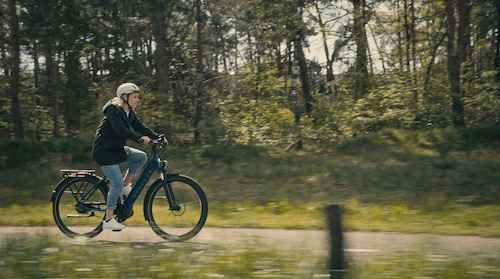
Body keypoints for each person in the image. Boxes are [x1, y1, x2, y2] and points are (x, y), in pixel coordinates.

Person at [91, 82, 167, 231]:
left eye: (137, 97)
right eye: (135, 97)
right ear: (124, 97)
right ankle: (108, 219)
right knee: (116, 183)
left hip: (117, 150)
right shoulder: (114, 110)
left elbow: (140, 127)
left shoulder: (129, 112)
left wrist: (157, 137)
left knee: (141, 157)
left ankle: (126, 185)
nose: (137, 100)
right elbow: (120, 130)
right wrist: (139, 139)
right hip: (104, 152)